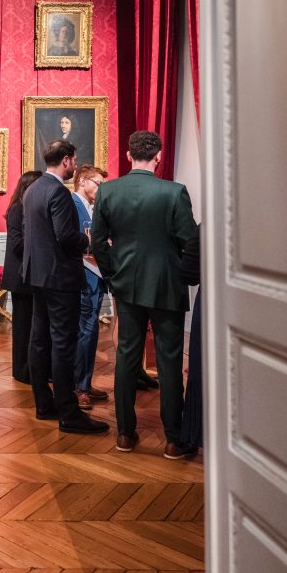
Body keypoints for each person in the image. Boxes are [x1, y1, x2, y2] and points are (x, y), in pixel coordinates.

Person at [91, 130, 199, 458]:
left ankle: (125, 433)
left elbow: (98, 243)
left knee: (126, 357)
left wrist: (112, 276)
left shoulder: (108, 190)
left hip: (126, 283)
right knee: (169, 361)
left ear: (128, 155)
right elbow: (190, 241)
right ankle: (173, 438)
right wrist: (186, 276)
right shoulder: (174, 192)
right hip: (167, 284)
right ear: (159, 156)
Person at [22, 140, 108, 435]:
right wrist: (90, 241)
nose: (74, 165)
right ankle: (69, 413)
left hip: (37, 275)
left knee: (39, 340)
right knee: (63, 343)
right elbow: (65, 237)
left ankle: (44, 404)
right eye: (74, 160)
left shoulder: (34, 188)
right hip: (59, 278)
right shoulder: (58, 191)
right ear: (67, 160)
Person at [71, 164, 110, 409]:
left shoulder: (93, 208)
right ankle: (79, 387)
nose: (101, 188)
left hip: (96, 276)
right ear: (83, 181)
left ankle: (85, 381)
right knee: (83, 332)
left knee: (91, 331)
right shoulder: (72, 204)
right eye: (98, 183)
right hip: (82, 276)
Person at [1, 171, 42, 384]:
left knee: (32, 327)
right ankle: (22, 371)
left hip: (30, 276)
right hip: (21, 278)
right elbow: (18, 244)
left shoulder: (27, 209)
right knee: (23, 328)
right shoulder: (17, 209)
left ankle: (33, 369)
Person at [179, 226, 202, 455]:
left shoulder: (208, 228)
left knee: (201, 367)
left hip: (213, 302)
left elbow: (189, 273)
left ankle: (194, 434)